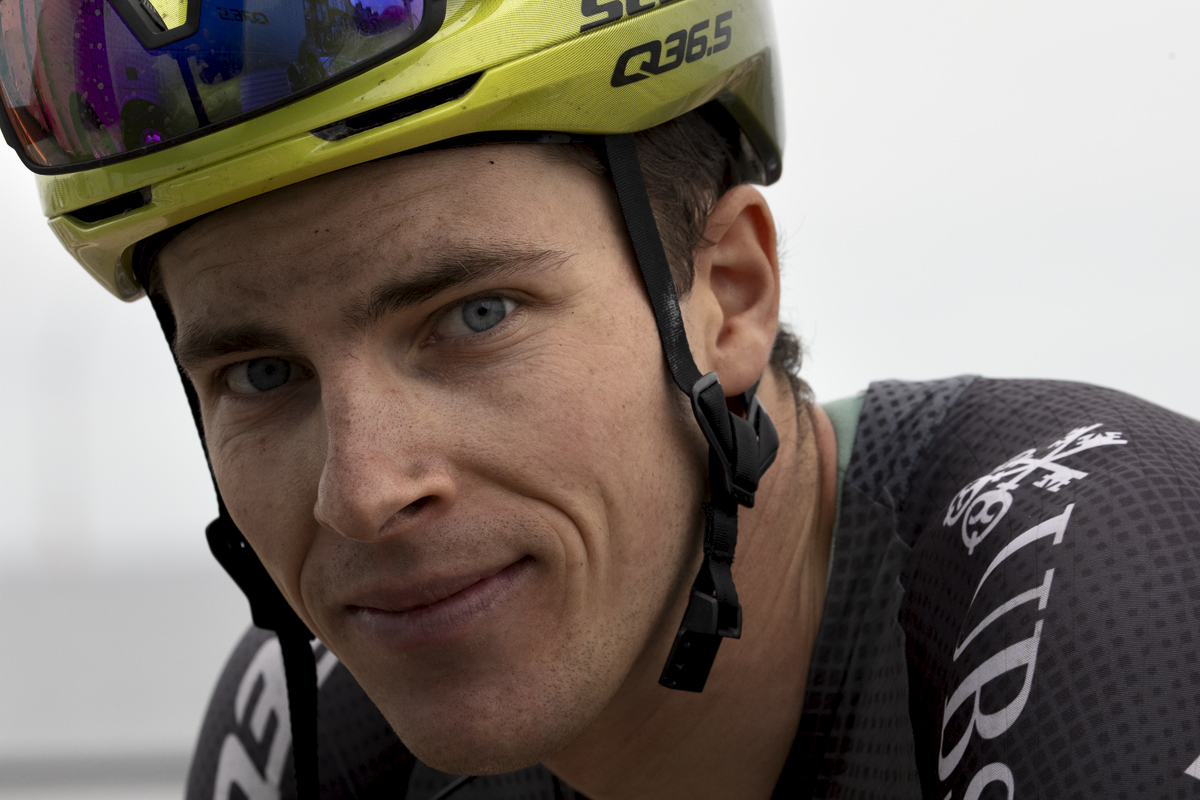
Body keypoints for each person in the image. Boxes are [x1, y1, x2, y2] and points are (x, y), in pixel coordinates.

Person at [2, 2, 1197, 799]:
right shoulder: (307, 732)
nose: (363, 491)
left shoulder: (1110, 589)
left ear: (729, 295)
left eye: (475, 315)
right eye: (261, 375)